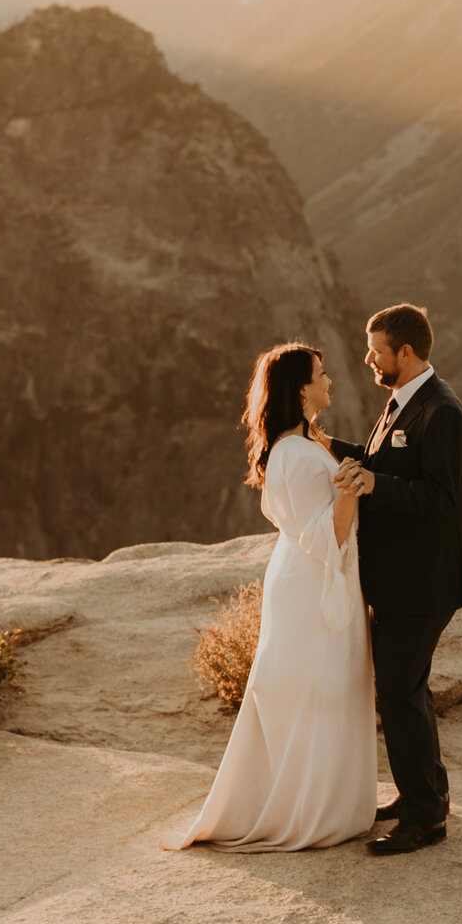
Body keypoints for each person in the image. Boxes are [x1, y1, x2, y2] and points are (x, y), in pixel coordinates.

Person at [175, 343, 378, 851]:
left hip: (305, 579)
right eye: (321, 374)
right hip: (314, 584)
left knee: (317, 684)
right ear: (300, 389)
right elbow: (325, 536)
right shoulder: (300, 456)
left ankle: (319, 799)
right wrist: (352, 489)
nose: (329, 380)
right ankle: (311, 809)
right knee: (320, 684)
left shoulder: (296, 446)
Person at [329, 303, 462, 856]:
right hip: (399, 581)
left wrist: (372, 485)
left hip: (424, 585)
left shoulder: (443, 414)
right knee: (407, 690)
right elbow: (383, 466)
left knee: (396, 691)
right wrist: (327, 448)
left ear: (406, 353)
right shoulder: (400, 403)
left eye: (377, 350)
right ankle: (427, 792)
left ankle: (424, 819)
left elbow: (443, 499)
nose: (369, 358)